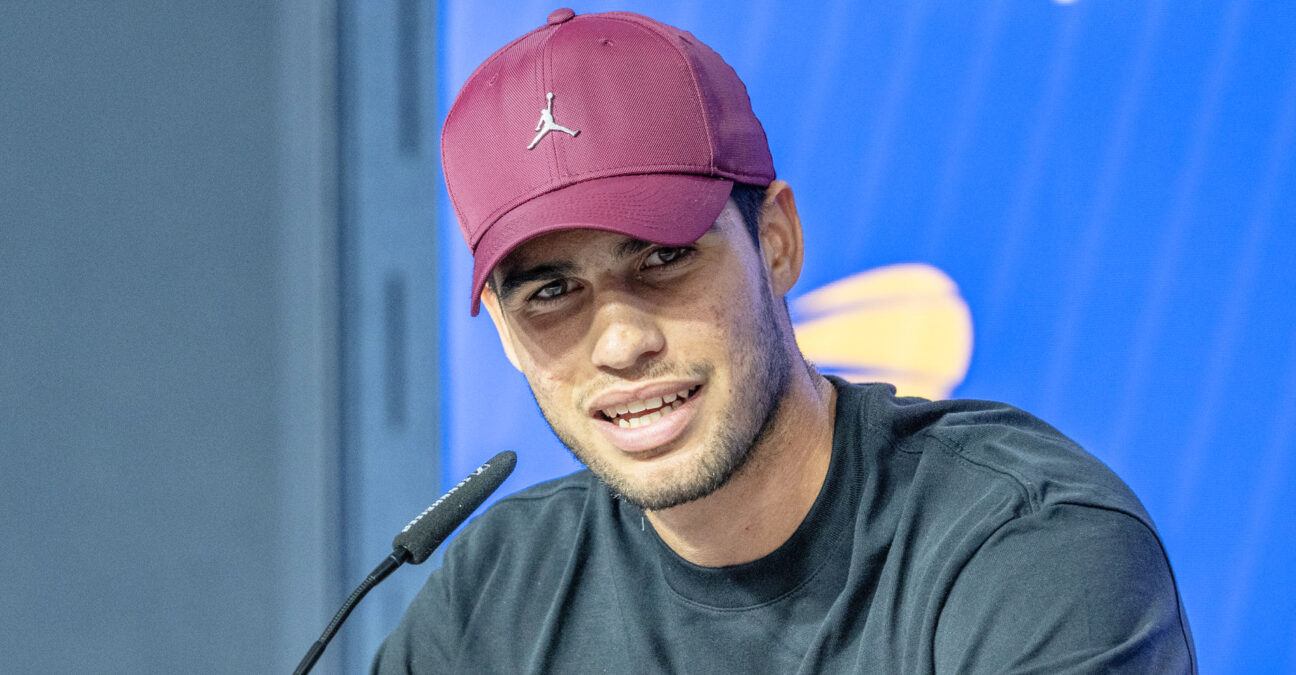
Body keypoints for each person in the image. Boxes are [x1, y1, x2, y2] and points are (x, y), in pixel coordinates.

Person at [374, 8, 1196, 673]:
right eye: (551, 292)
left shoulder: (1025, 548)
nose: (620, 341)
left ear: (777, 242)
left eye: (664, 257)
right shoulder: (496, 597)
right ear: (509, 337)